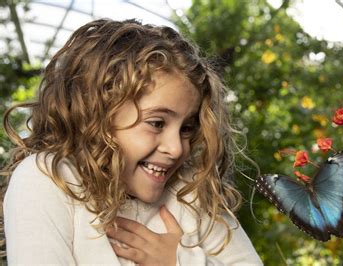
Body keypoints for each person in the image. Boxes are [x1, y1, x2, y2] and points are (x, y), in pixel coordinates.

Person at [2, 19, 262, 265]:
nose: (176, 148)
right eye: (157, 123)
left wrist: (179, 261)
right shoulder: (47, 179)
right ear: (96, 113)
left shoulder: (189, 192)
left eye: (187, 128)